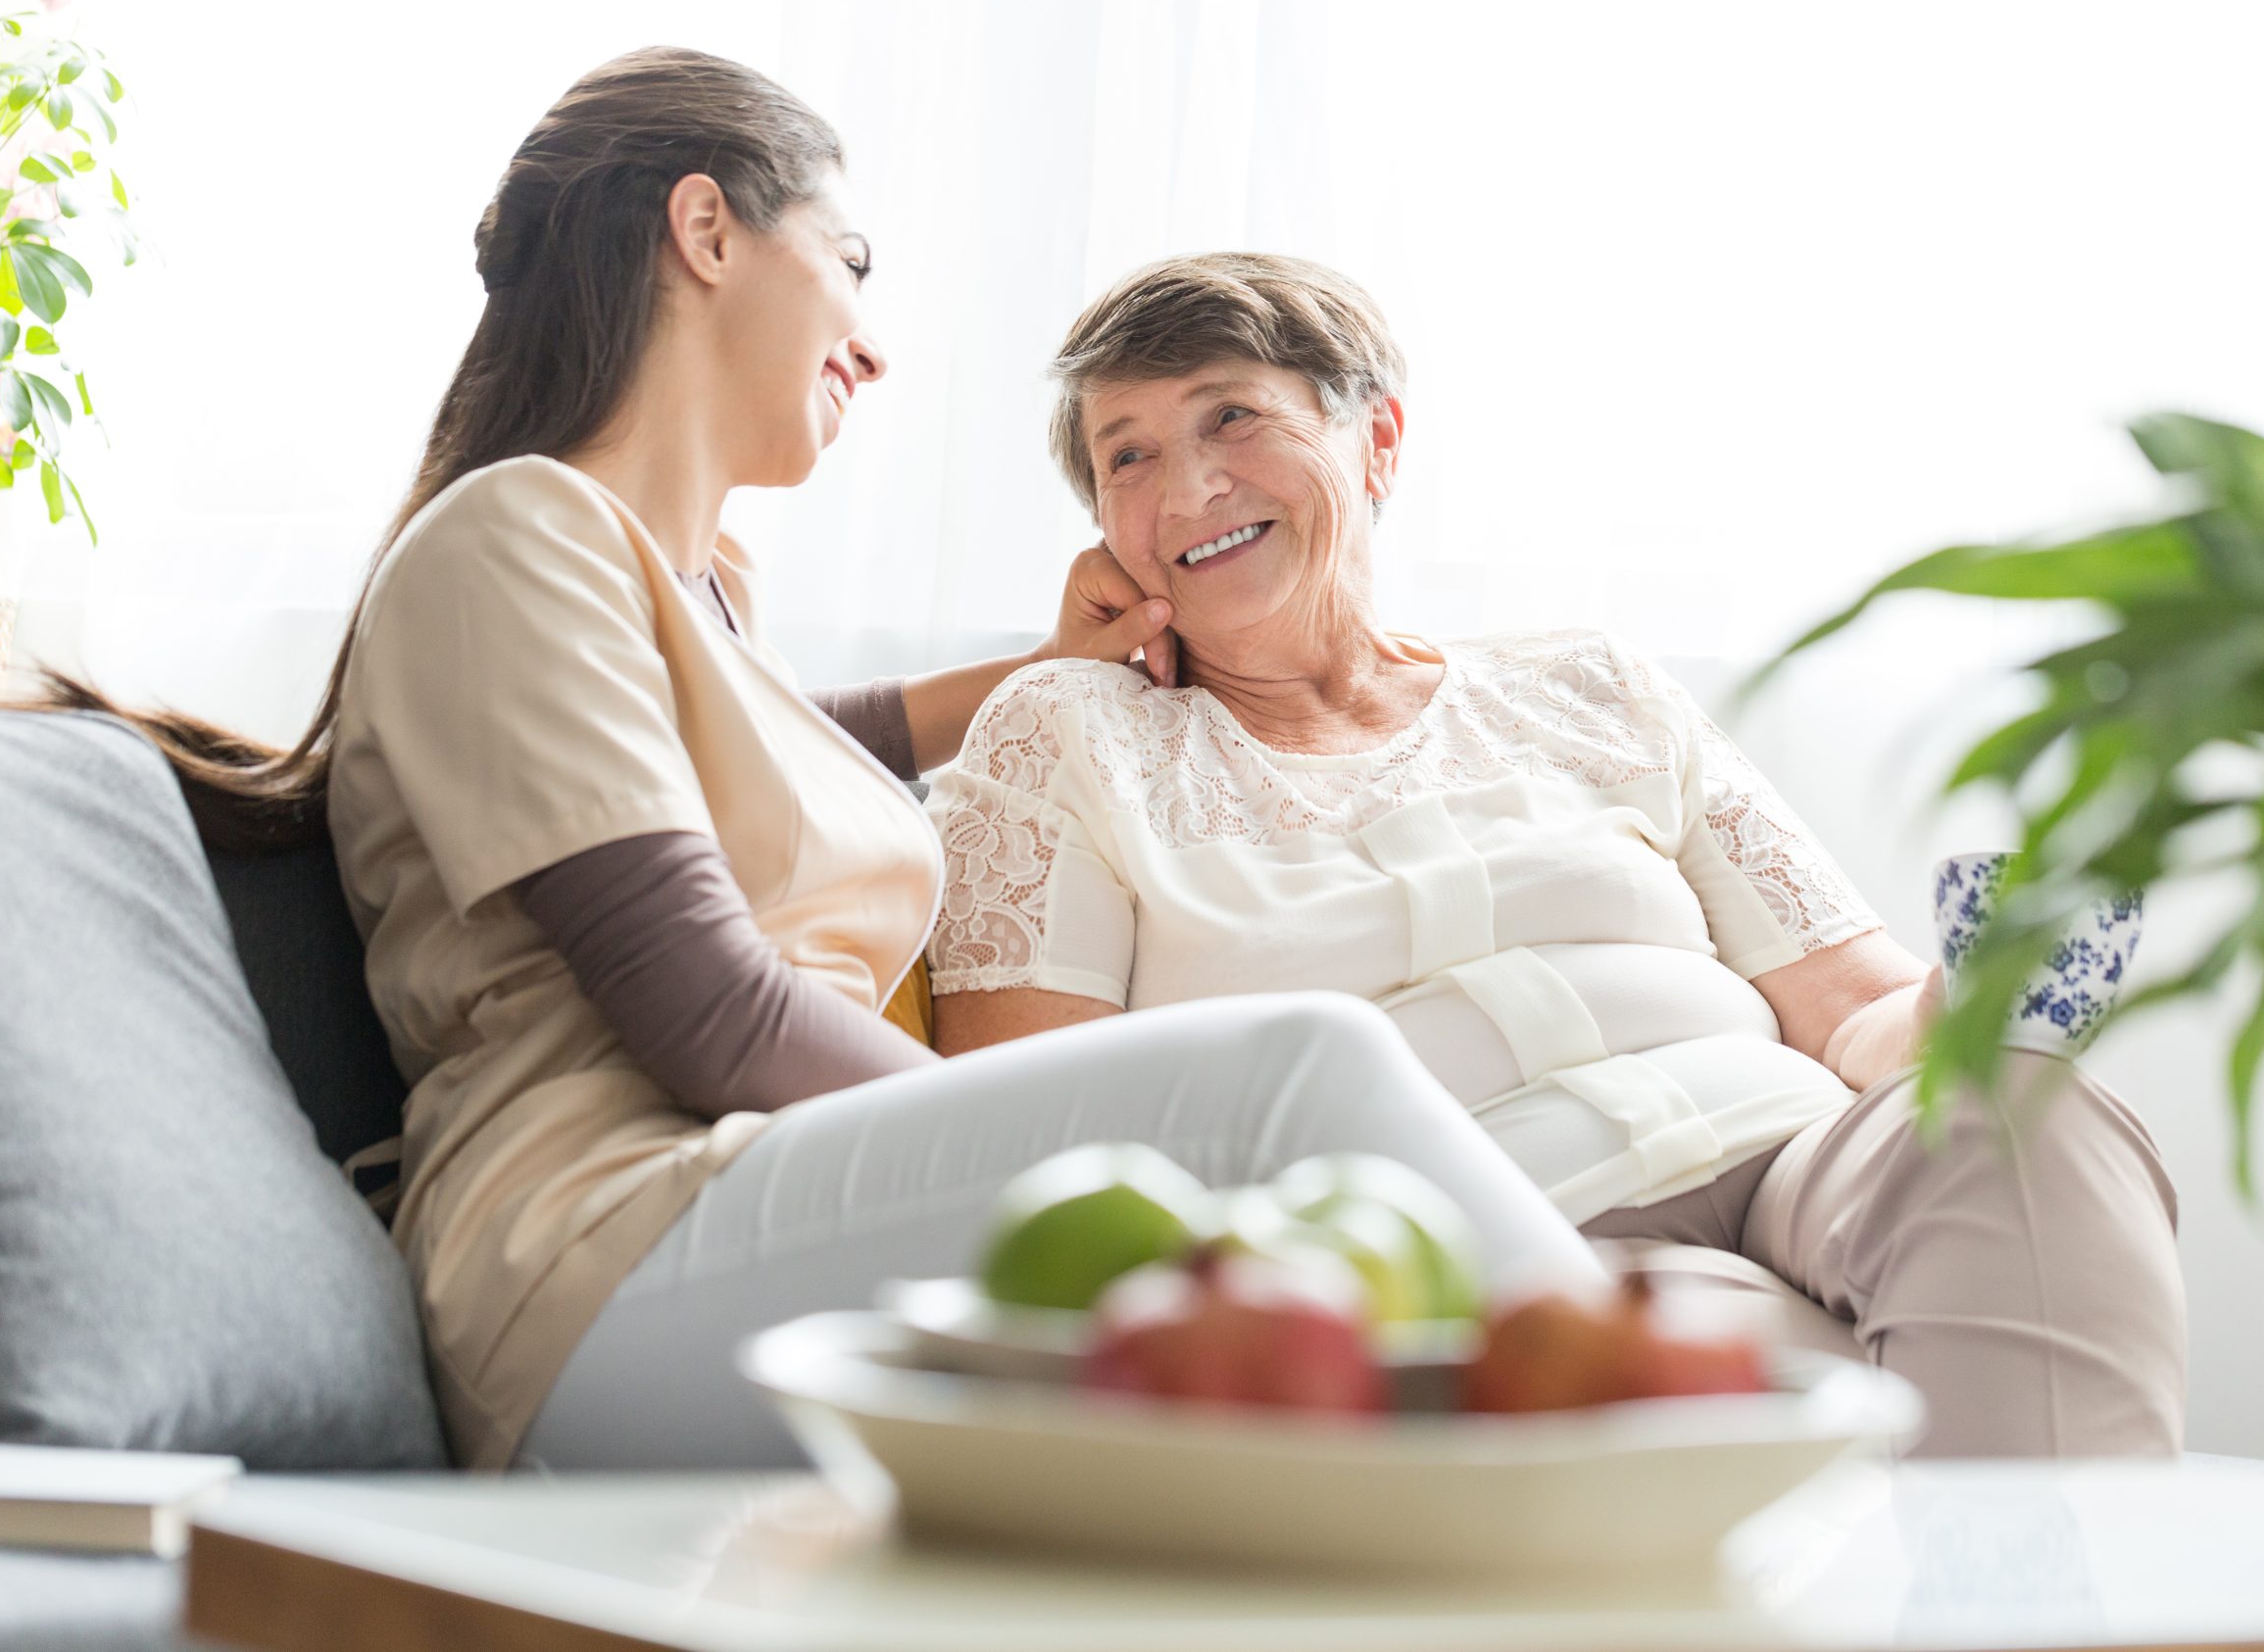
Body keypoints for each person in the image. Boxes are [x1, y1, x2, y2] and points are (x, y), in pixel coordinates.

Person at [53, 52, 1610, 1472]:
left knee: (1308, 1317)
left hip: (752, 1202)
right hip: (601, 1252)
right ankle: (1672, 1436)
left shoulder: (703, 586)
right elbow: (708, 1012)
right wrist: (1081, 1127)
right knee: (1295, 1072)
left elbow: (789, 759)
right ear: (708, 231)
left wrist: (1041, 671)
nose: (872, 346)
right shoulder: (515, 536)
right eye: (851, 266)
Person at [924, 252, 2189, 1457]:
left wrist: (2000, 983)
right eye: (1127, 456)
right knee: (1706, 1322)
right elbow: (1043, 1135)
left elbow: (1852, 1010)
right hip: (1478, 1223)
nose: (1188, 488)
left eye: (1234, 419)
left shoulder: (1593, 685)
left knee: (2026, 1116)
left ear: (1377, 444)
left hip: (1784, 1151)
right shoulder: (1066, 733)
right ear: (1104, 532)